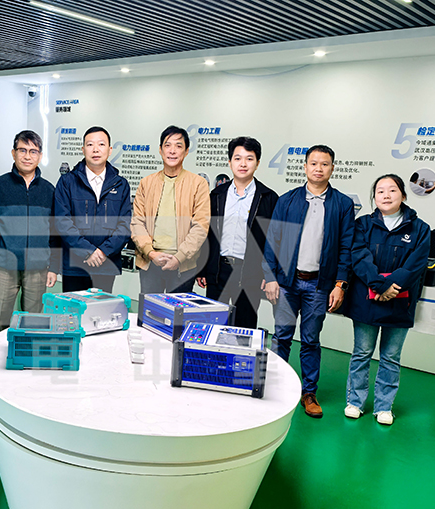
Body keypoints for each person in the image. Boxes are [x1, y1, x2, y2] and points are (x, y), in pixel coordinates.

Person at [263, 144, 354, 418]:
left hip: (319, 285)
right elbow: (272, 241)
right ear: (305, 167)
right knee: (281, 336)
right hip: (287, 283)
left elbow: (346, 247)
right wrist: (270, 277)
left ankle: (309, 393)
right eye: (313, 163)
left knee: (311, 340)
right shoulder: (287, 201)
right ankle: (276, 388)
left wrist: (339, 284)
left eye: (324, 164)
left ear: (332, 168)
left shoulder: (342, 204)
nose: (318, 169)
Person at [344, 174, 430, 425]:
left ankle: (384, 406)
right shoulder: (363, 225)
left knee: (391, 357)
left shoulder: (420, 229)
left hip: (400, 301)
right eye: (380, 191)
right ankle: (355, 401)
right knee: (361, 353)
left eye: (392, 190)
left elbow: (416, 264)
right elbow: (359, 257)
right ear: (374, 197)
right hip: (366, 299)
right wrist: (379, 285)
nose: (386, 195)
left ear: (403, 195)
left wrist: (393, 286)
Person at [0, 130, 59, 335]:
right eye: (22, 150)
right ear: (13, 153)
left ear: (40, 156)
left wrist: (54, 267)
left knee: (33, 323)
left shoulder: (49, 190)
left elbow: (56, 232)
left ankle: (27, 355)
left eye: (33, 151)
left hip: (38, 268)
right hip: (4, 268)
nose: (27, 156)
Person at [197, 136, 279, 329]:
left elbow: (273, 241)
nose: (243, 164)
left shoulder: (268, 198)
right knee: (213, 325)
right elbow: (207, 234)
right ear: (230, 162)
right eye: (237, 158)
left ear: (257, 163)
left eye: (249, 159)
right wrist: (202, 268)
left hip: (250, 273)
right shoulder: (217, 195)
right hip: (219, 270)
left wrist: (269, 274)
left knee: (244, 327)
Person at [131, 125, 210, 294]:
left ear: (186, 151)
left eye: (178, 146)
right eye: (167, 145)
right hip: (150, 262)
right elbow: (137, 222)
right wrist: (150, 253)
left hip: (183, 265)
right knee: (150, 309)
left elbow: (201, 226)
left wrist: (179, 257)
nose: (172, 151)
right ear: (160, 150)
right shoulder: (146, 183)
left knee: (177, 311)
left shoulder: (198, 184)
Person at [54, 126, 131, 293]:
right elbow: (62, 223)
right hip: (75, 266)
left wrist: (103, 252)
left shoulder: (121, 185)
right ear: (83, 149)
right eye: (90, 145)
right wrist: (88, 251)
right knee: (73, 309)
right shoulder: (67, 182)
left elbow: (125, 225)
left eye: (101, 144)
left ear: (110, 150)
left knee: (101, 309)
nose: (95, 149)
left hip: (106, 264)